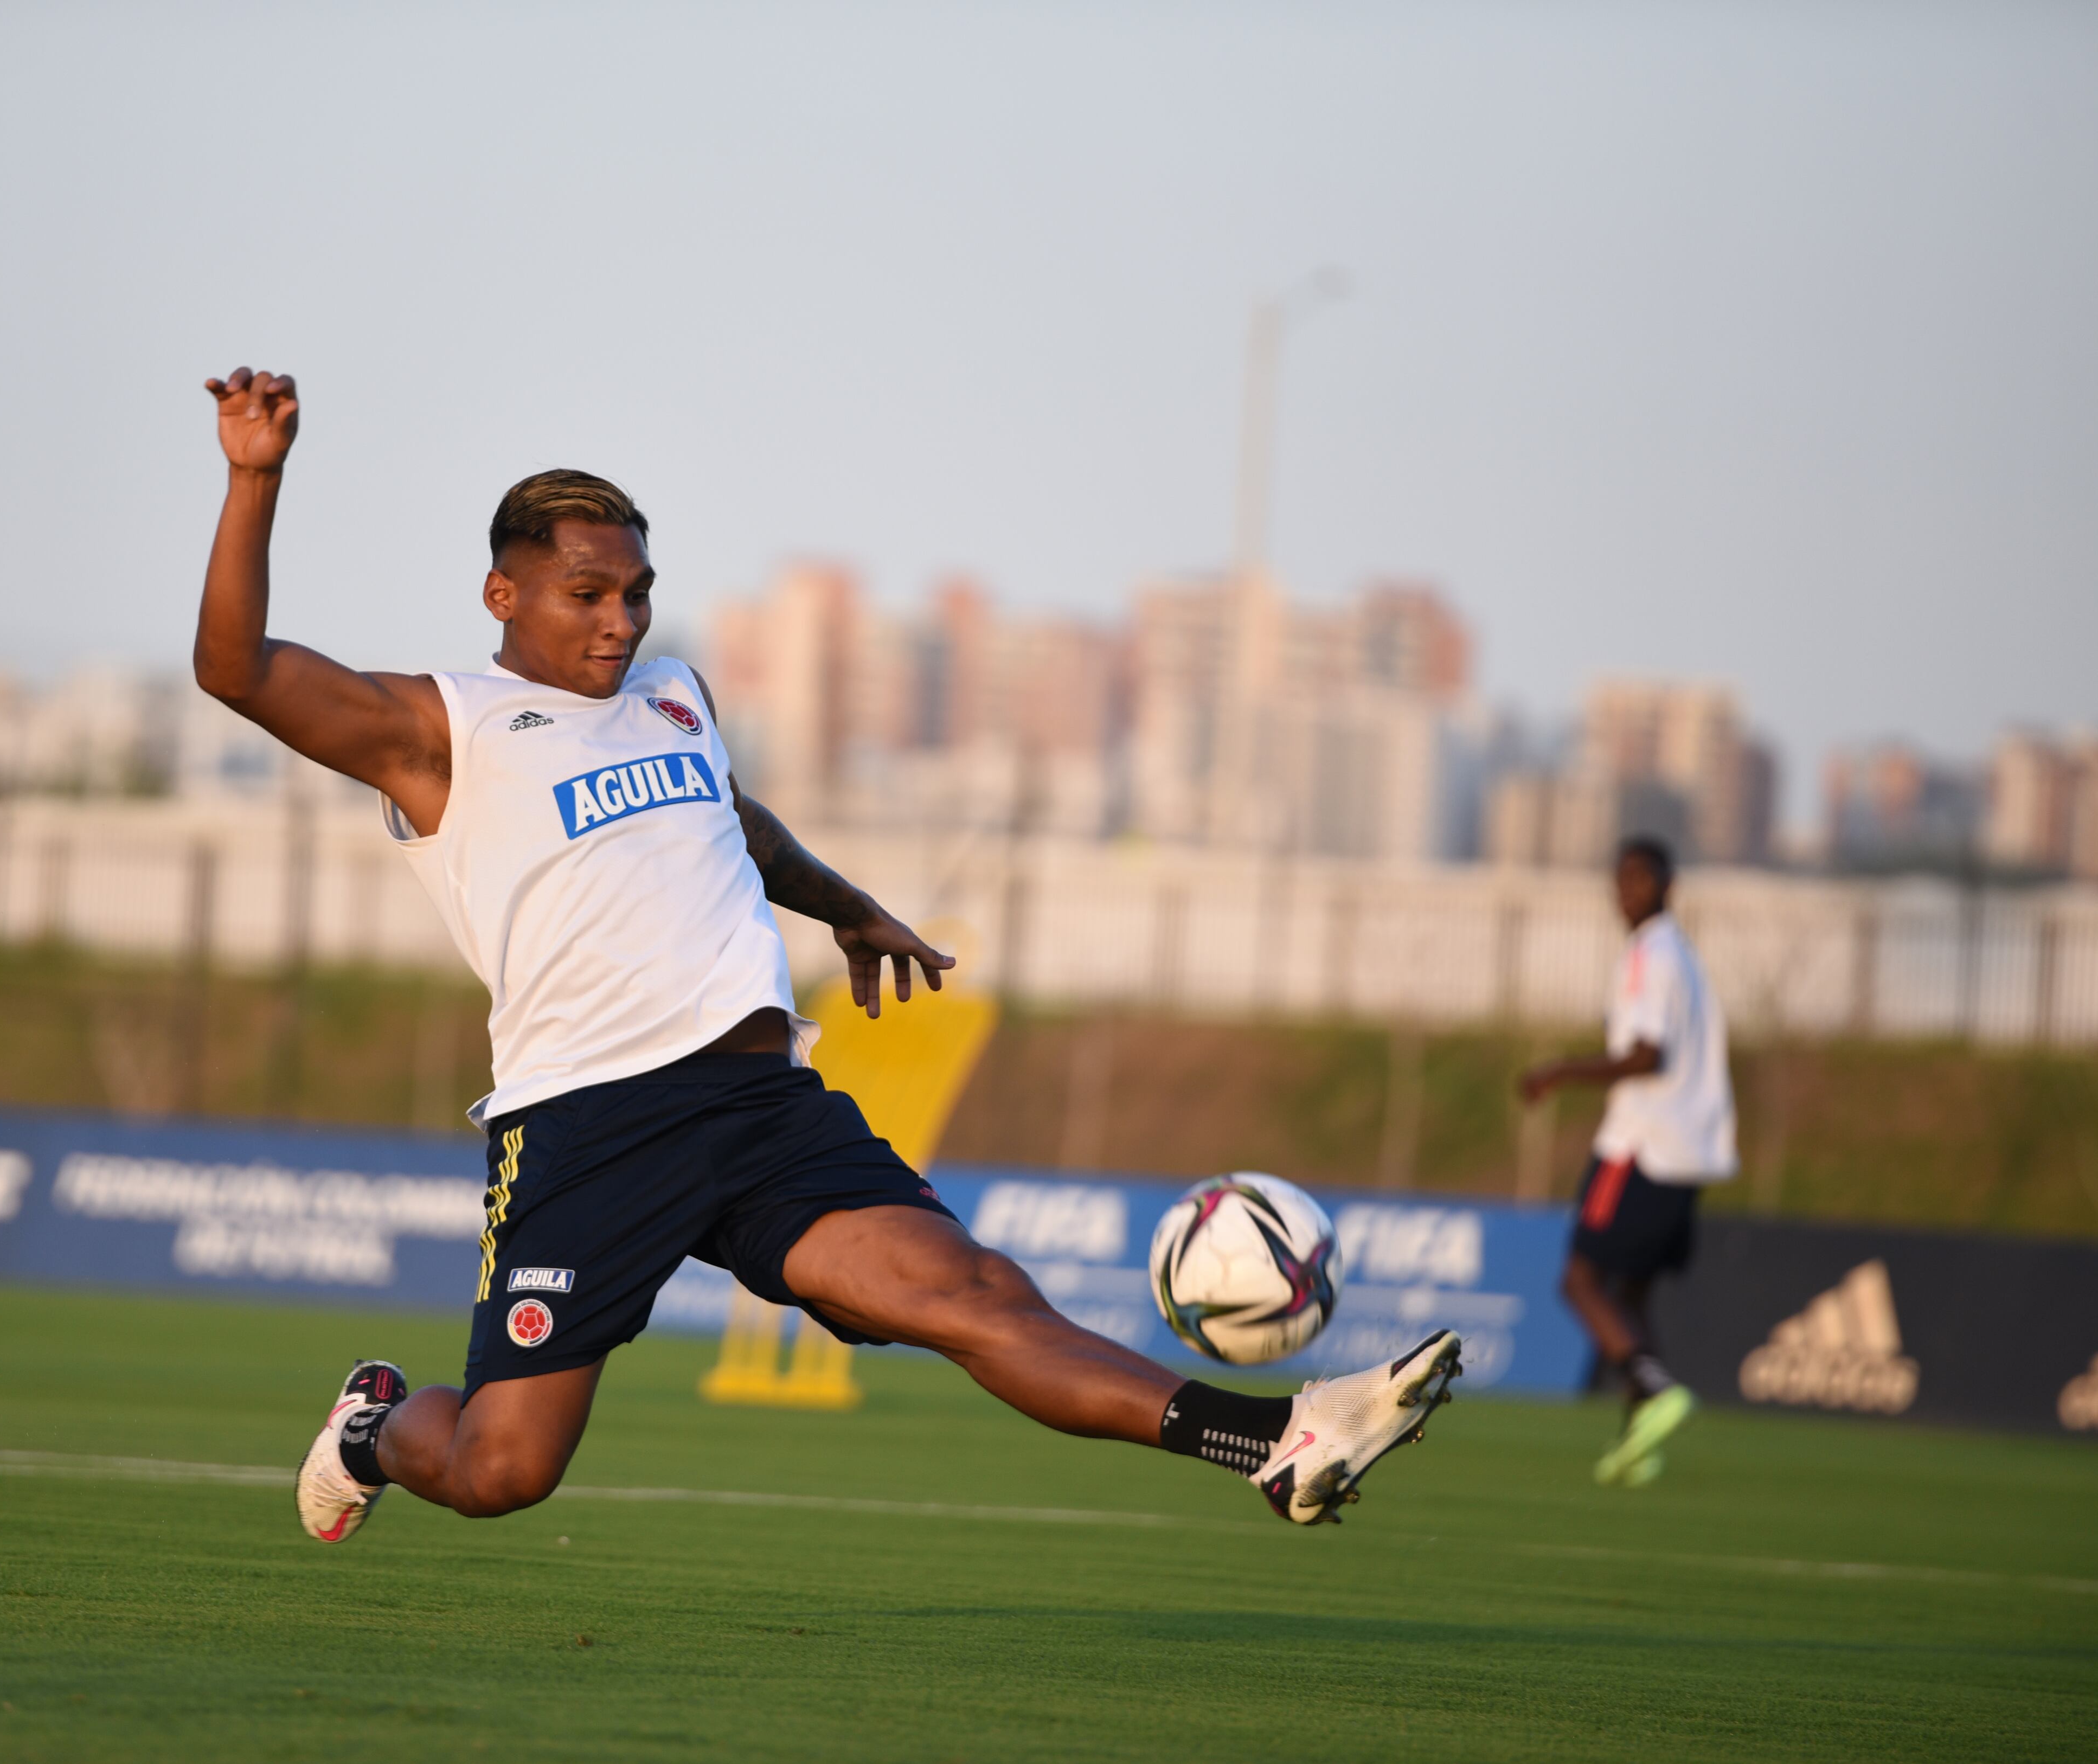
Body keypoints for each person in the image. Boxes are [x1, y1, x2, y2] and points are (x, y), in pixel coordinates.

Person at [191, 367, 1462, 1540]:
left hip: (757, 1108)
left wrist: (847, 907)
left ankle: (1276, 1439)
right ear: (504, 594)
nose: (621, 618)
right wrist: (257, 479)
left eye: (636, 590)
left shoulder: (675, 694)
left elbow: (729, 822)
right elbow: (234, 669)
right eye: (589, 593)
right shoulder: (440, 727)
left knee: (975, 1296)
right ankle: (371, 1425)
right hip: (586, 1128)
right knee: (500, 1473)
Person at [1518, 835, 1737, 1487]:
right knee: (1630, 1295)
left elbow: (1645, 1056)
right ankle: (1640, 1434)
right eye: (1619, 880)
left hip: (1640, 1143)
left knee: (1580, 1282)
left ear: (1667, 887)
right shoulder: (1685, 958)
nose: (1625, 892)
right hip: (1690, 1152)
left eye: (1638, 879)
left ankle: (1652, 1387)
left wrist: (1558, 1072)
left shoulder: (1650, 951)